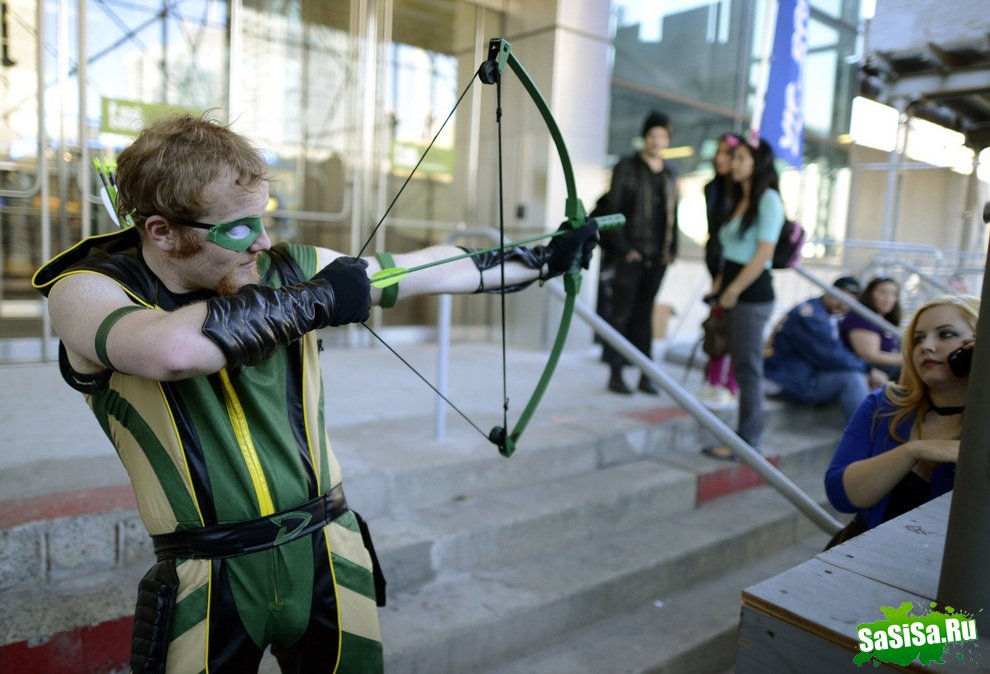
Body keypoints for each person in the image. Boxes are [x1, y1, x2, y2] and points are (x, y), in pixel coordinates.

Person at [31, 113, 599, 673]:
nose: (262, 242)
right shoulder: (86, 291)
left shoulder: (288, 268)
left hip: (329, 549)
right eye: (237, 228)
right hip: (206, 576)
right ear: (162, 230)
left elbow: (434, 270)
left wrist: (545, 257)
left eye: (264, 219)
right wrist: (316, 301)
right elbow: (170, 352)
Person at [824, 295, 978, 546]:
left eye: (946, 334)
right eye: (918, 338)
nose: (926, 346)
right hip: (862, 556)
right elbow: (841, 495)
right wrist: (913, 450)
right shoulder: (884, 404)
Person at [700, 135, 784, 461]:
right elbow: (734, 253)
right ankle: (744, 439)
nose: (733, 164)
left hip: (753, 296)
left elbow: (763, 252)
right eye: (733, 158)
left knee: (748, 370)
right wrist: (720, 286)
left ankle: (748, 442)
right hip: (734, 294)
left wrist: (733, 290)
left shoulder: (768, 200)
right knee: (741, 365)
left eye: (741, 159)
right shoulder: (740, 198)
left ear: (757, 163)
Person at [599, 109, 679, 395]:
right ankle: (616, 372)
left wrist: (672, 250)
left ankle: (646, 374)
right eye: (652, 135)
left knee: (645, 315)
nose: (657, 141)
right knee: (622, 313)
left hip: (658, 259)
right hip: (630, 255)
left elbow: (673, 215)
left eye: (662, 136)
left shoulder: (670, 174)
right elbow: (613, 209)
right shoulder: (627, 167)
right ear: (645, 137)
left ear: (668, 139)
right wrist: (624, 249)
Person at [764, 276, 888, 421]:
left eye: (849, 302)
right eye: (839, 297)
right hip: (786, 380)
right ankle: (865, 436)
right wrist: (867, 369)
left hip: (801, 375)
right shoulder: (811, 315)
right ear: (828, 292)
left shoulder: (824, 312)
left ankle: (873, 431)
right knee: (852, 379)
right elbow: (830, 356)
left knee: (860, 375)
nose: (843, 305)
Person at [700, 133, 743, 406]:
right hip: (717, 262)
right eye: (718, 152)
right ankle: (714, 380)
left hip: (737, 268)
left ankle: (730, 384)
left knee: (736, 327)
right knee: (717, 324)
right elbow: (715, 233)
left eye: (727, 153)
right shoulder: (712, 188)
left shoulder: (748, 192)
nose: (720, 159)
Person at [840, 275, 903, 380]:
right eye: (882, 292)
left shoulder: (886, 319)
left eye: (893, 294)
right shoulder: (860, 317)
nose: (887, 298)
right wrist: (905, 360)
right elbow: (870, 356)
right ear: (870, 294)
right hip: (867, 371)